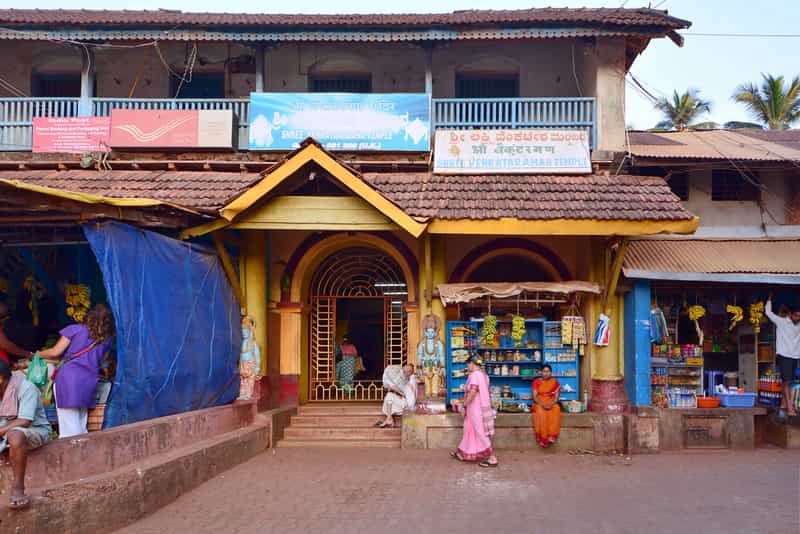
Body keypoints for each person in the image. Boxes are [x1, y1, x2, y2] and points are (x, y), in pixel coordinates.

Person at [38, 304, 115, 437]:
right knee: (81, 423)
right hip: (89, 381)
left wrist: (34, 354)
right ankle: (83, 454)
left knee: (69, 427)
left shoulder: (75, 329)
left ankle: (73, 455)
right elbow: (102, 363)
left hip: (68, 379)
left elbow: (55, 352)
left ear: (90, 316)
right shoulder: (107, 340)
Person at [0, 359, 52, 509]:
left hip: (34, 430)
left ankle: (18, 487)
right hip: (5, 432)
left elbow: (24, 421)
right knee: (11, 435)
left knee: (15, 436)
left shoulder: (26, 387)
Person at [451, 356, 498, 467]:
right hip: (479, 407)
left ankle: (492, 457)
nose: (468, 366)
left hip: (475, 408)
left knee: (479, 431)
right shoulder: (484, 375)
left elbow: (473, 392)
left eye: (468, 364)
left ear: (472, 363)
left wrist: (465, 404)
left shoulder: (475, 375)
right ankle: (462, 452)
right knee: (469, 428)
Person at [765, 298, 800, 418]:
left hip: (795, 356)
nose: (797, 318)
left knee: (790, 382)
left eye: (799, 316)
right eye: (796, 315)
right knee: (786, 382)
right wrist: (769, 300)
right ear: (790, 314)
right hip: (784, 355)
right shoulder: (781, 321)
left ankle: (783, 404)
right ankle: (790, 408)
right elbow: (768, 313)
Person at [376, 363, 416, 428]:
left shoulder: (411, 380)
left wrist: (400, 392)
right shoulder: (402, 375)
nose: (402, 372)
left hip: (407, 405)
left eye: (406, 371)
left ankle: (389, 419)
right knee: (389, 396)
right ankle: (389, 418)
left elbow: (408, 396)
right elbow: (390, 385)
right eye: (403, 369)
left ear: (410, 373)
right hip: (402, 401)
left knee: (389, 397)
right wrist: (399, 392)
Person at [531, 364, 562, 448]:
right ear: (541, 372)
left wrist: (550, 404)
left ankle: (552, 436)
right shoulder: (536, 381)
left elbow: (556, 397)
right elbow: (534, 397)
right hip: (539, 402)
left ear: (551, 373)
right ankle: (543, 438)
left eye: (548, 371)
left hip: (551, 402)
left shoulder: (555, 382)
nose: (546, 373)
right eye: (544, 371)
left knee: (556, 409)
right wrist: (543, 404)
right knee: (541, 412)